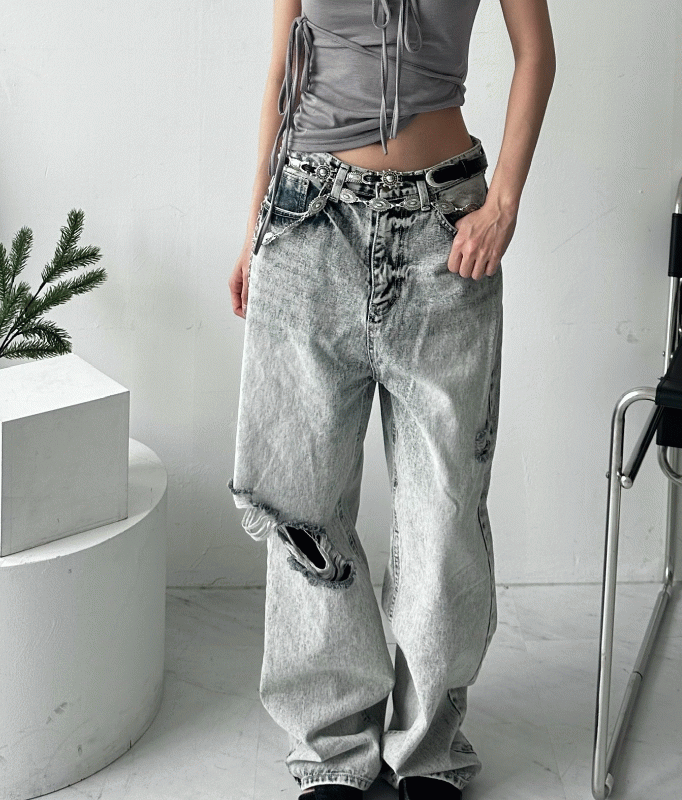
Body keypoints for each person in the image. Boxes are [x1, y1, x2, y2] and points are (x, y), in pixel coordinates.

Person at [227, 1, 555, 798]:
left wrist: (504, 202)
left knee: (445, 504)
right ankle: (331, 745)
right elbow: (282, 73)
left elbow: (537, 54)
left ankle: (429, 744)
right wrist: (254, 232)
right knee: (302, 503)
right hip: (308, 218)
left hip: (445, 227)